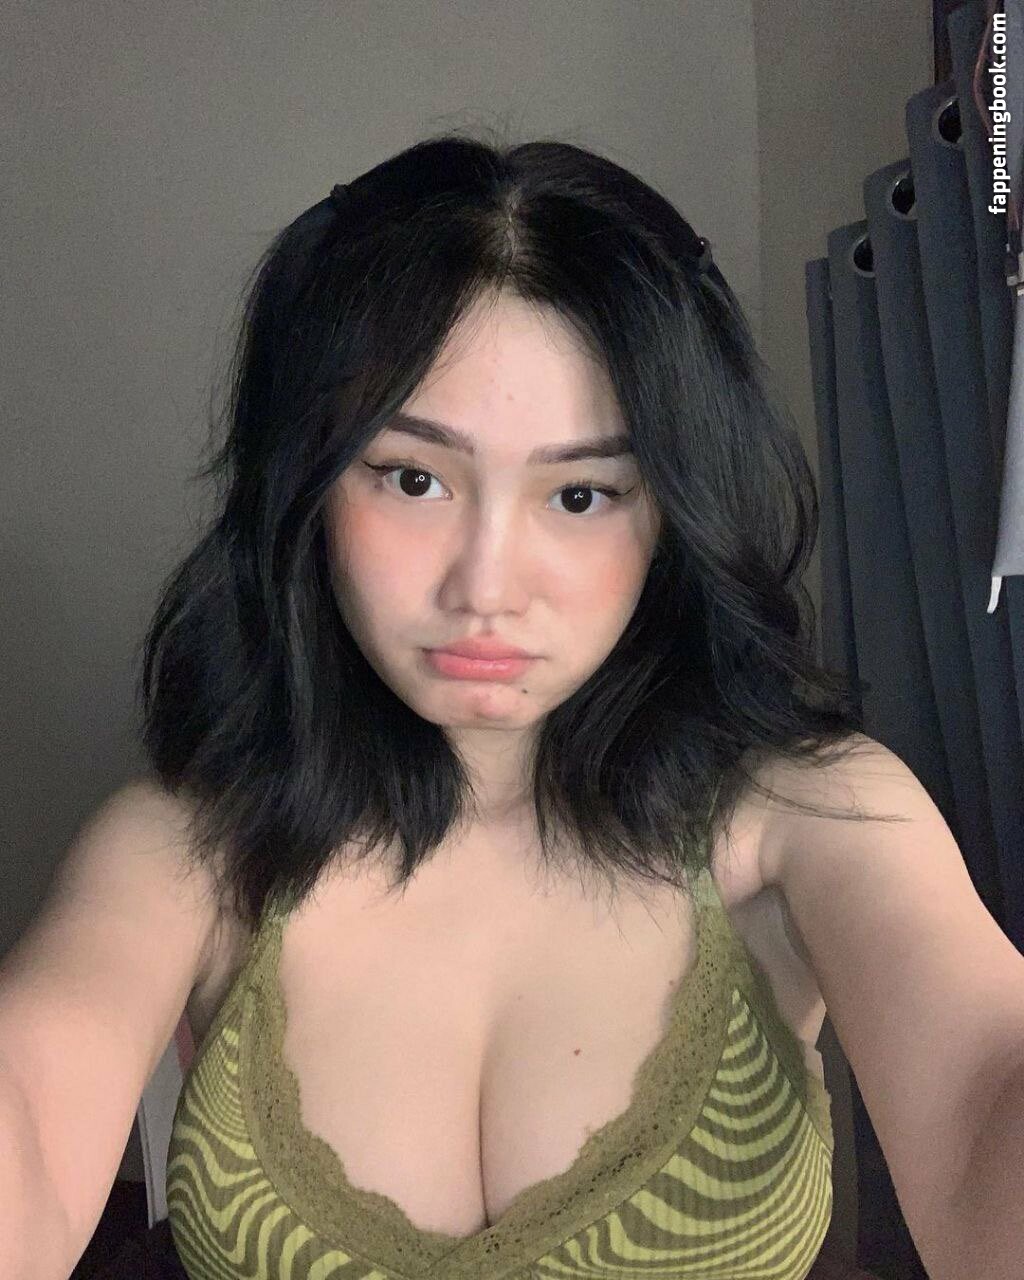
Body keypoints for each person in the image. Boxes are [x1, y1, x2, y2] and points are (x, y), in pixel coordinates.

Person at [3, 127, 1018, 1280]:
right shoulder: (184, 847)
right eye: (413, 477)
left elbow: (988, 1081)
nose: (486, 585)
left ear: (672, 513)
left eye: (580, 493)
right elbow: (27, 1103)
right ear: (307, 486)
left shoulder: (811, 819)